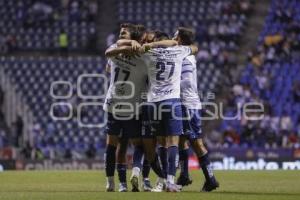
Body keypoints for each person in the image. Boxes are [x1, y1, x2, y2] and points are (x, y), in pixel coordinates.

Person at [140, 31, 198, 192]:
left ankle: (162, 179)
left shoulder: (148, 52)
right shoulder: (178, 50)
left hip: (153, 104)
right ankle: (170, 181)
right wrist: (173, 44)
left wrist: (150, 45)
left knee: (161, 143)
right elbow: (195, 48)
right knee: (173, 143)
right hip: (172, 101)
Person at [174, 27, 219, 192]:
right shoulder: (185, 55)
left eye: (175, 35)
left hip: (188, 104)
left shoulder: (186, 57)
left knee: (196, 143)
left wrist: (170, 86)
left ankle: (211, 179)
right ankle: (184, 175)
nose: (173, 37)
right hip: (187, 103)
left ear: (179, 39)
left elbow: (186, 82)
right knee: (181, 139)